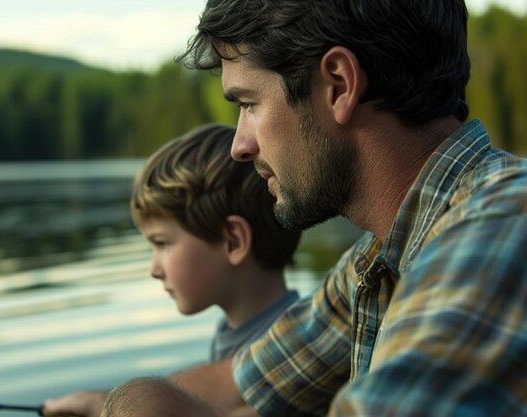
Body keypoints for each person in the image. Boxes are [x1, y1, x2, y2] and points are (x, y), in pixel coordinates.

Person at [45, 0, 527, 416]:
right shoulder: (378, 260)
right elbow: (246, 388)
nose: (239, 145)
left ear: (338, 85)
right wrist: (115, 401)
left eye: (249, 103)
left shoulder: (499, 229)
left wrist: (139, 404)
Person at [43, 123, 302, 417]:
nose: (154, 269)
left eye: (163, 243)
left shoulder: (298, 353)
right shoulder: (237, 331)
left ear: (233, 241)